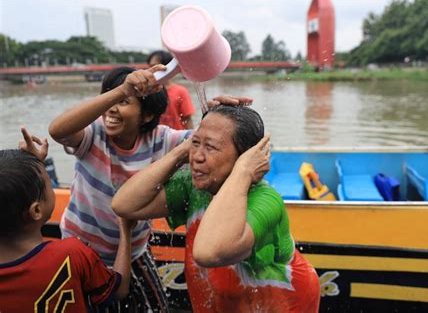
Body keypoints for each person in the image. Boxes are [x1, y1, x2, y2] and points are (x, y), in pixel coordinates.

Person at [112, 105, 321, 312]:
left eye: (210, 147)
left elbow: (207, 253)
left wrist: (243, 172)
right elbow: (124, 204)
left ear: (244, 156)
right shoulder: (194, 186)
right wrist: (182, 152)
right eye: (195, 144)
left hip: (283, 302)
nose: (197, 157)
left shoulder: (265, 200)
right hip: (226, 298)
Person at [48, 65, 186, 312]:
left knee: (156, 307)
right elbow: (59, 130)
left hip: (134, 250)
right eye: (109, 96)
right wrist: (123, 90)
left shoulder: (161, 139)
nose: (111, 109)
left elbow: (205, 141)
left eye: (124, 101)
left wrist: (221, 113)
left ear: (146, 115)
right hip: (83, 252)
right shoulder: (93, 135)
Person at [0, 128, 133, 312]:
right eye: (48, 182)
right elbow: (117, 291)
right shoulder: (72, 254)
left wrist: (31, 165)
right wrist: (125, 231)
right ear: (36, 210)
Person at [148, 50, 196, 129]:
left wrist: (190, 138)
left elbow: (187, 118)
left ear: (167, 67)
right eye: (150, 66)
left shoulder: (180, 91)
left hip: (177, 138)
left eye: (155, 66)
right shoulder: (147, 91)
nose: (151, 70)